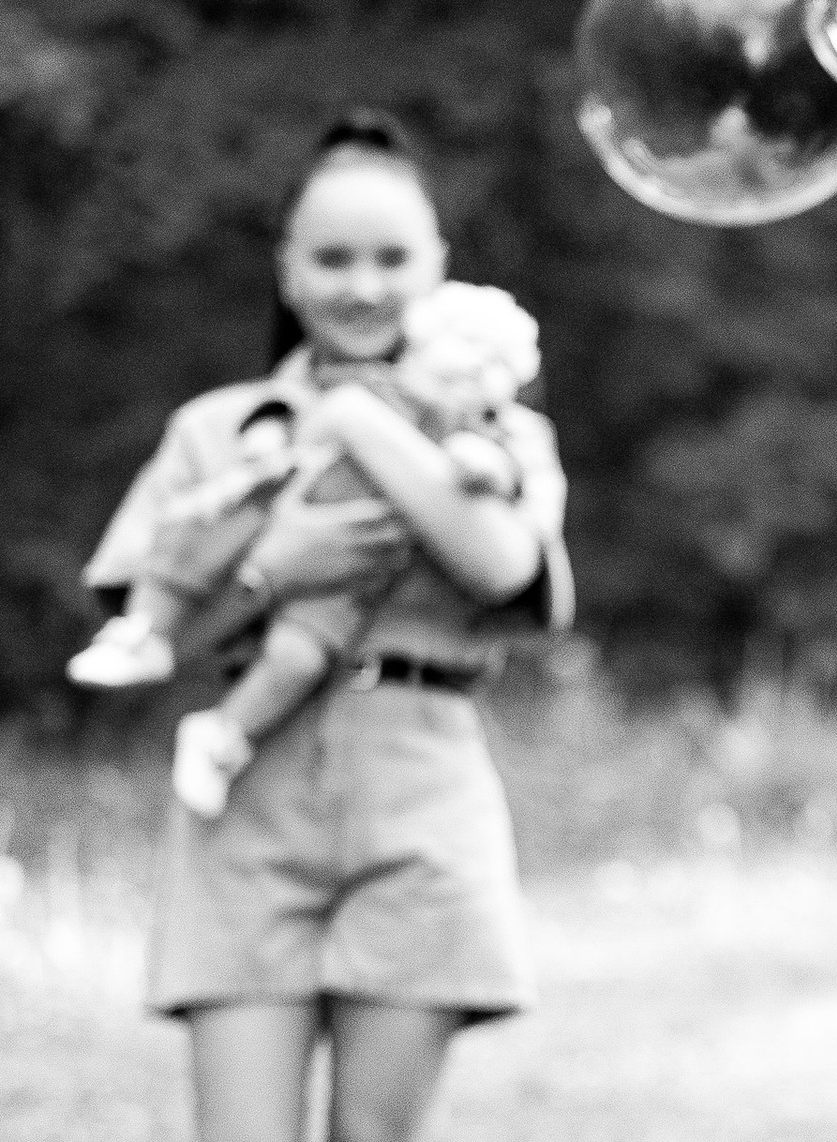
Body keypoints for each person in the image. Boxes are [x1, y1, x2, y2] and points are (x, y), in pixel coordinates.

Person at [79, 111, 571, 1142]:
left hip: (426, 795)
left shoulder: (504, 430)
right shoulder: (217, 432)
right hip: (249, 805)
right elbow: (163, 611)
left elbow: (505, 580)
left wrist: (371, 435)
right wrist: (301, 475)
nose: (361, 283)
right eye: (332, 255)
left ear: (438, 272)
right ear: (288, 271)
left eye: (391, 255)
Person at [69, 278, 544, 821]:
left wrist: (483, 466)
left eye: (497, 369)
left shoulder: (495, 432)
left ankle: (224, 735)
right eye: (466, 357)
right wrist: (269, 553)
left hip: (360, 605)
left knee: (297, 657)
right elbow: (293, 418)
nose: (477, 377)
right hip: (281, 510)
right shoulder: (362, 390)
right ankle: (143, 630)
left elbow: (508, 541)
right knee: (200, 531)